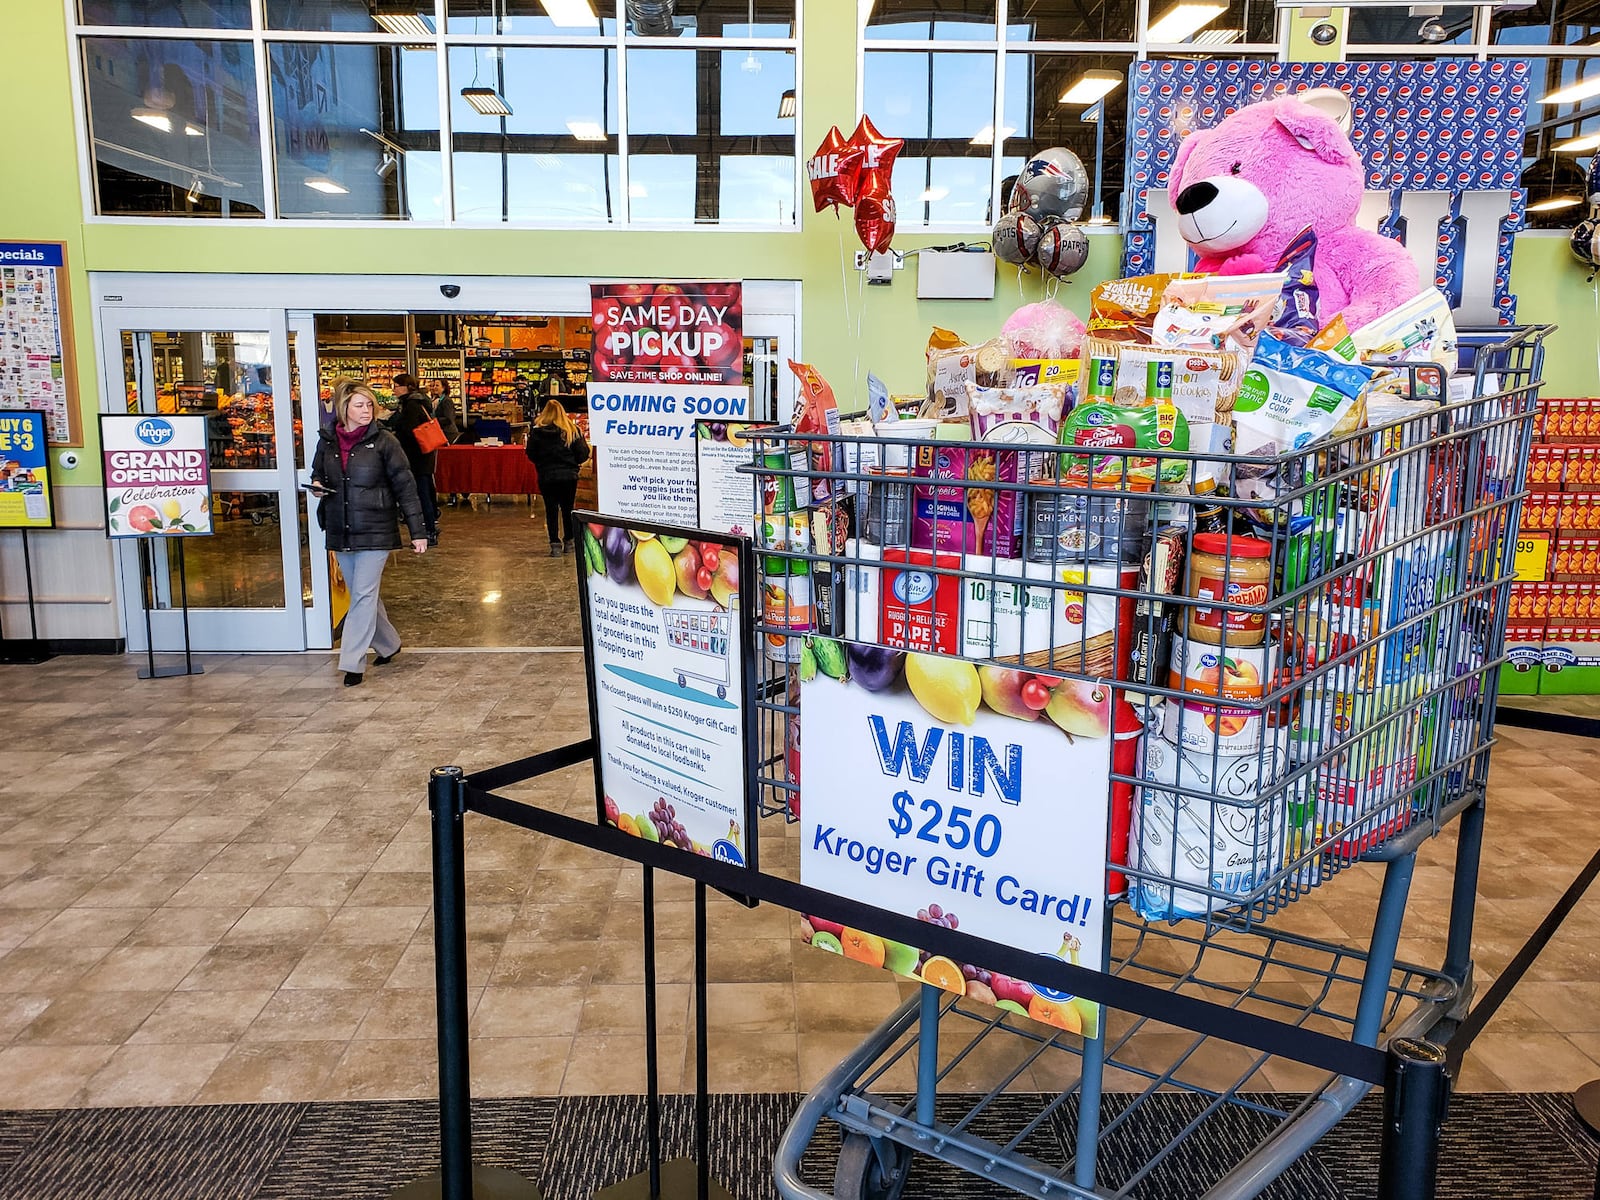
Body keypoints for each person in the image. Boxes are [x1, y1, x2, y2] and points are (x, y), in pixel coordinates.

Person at [311, 379, 428, 688]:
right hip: (341, 527)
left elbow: (406, 486)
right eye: (360, 405)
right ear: (344, 408)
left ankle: (351, 662)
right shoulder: (327, 442)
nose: (367, 411)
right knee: (364, 595)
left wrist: (418, 531)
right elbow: (318, 474)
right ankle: (389, 644)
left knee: (362, 595)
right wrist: (318, 488)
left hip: (376, 528)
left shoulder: (386, 442)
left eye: (370, 405)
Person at [524, 398, 590, 555]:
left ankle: (554, 544)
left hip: (546, 476)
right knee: (568, 509)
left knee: (551, 509)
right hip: (569, 476)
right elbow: (583, 454)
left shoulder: (537, 432)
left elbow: (531, 453)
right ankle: (569, 541)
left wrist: (542, 464)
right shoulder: (572, 431)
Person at [389, 372, 440, 545]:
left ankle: (429, 531)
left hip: (416, 456)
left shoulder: (411, 405)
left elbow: (409, 431)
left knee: (421, 493)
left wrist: (394, 432)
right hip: (424, 454)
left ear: (406, 387)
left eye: (396, 386)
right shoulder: (419, 401)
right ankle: (431, 526)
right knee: (425, 491)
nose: (394, 390)